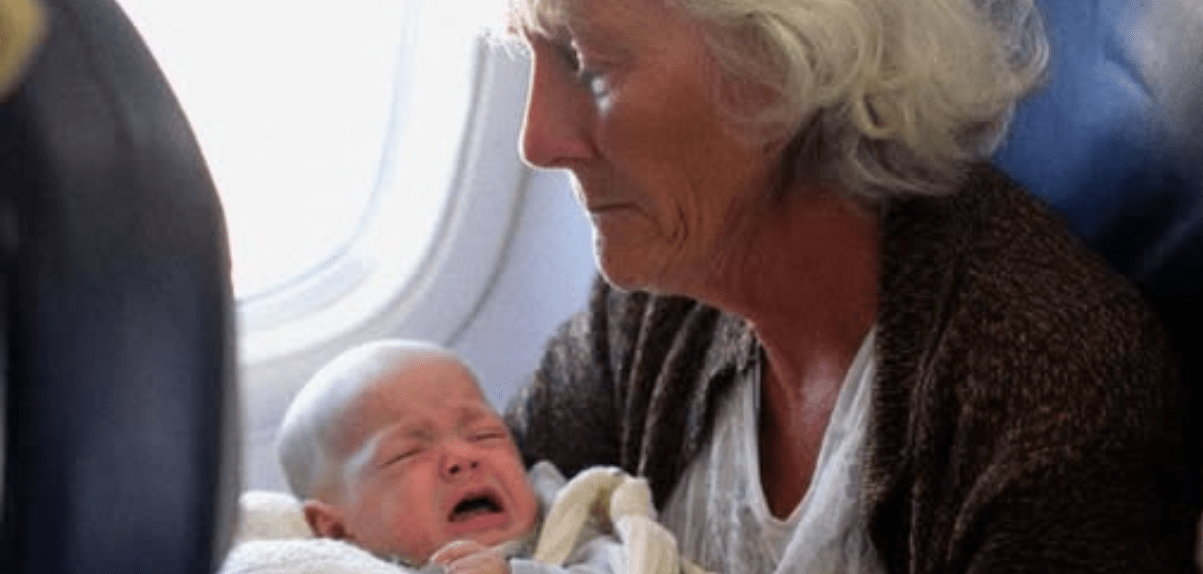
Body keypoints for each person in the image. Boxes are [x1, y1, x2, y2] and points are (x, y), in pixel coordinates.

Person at [500, 0, 1199, 572]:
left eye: (586, 65)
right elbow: (477, 510)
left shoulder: (1046, 397)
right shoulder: (654, 305)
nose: (537, 139)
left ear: (776, 67)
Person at [249, 339, 697, 574]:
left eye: (485, 434)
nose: (463, 458)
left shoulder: (571, 532)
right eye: (408, 452)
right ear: (335, 530)